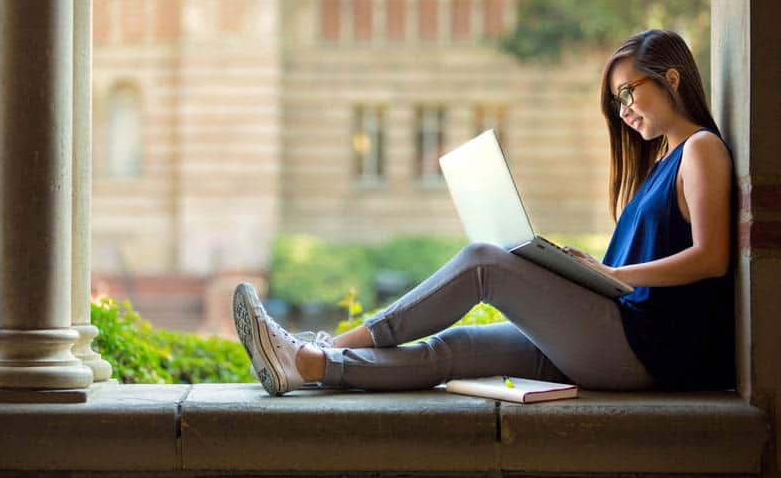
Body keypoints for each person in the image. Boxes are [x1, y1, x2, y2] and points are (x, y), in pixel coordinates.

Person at [233, 29, 736, 396]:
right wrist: (578, 273)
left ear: (671, 78)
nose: (623, 109)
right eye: (616, 100)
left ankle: (326, 345)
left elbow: (711, 257)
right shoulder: (664, 162)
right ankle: (308, 365)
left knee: (484, 263)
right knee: (454, 350)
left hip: (647, 351)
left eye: (629, 92)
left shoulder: (701, 149)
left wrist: (613, 275)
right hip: (618, 340)